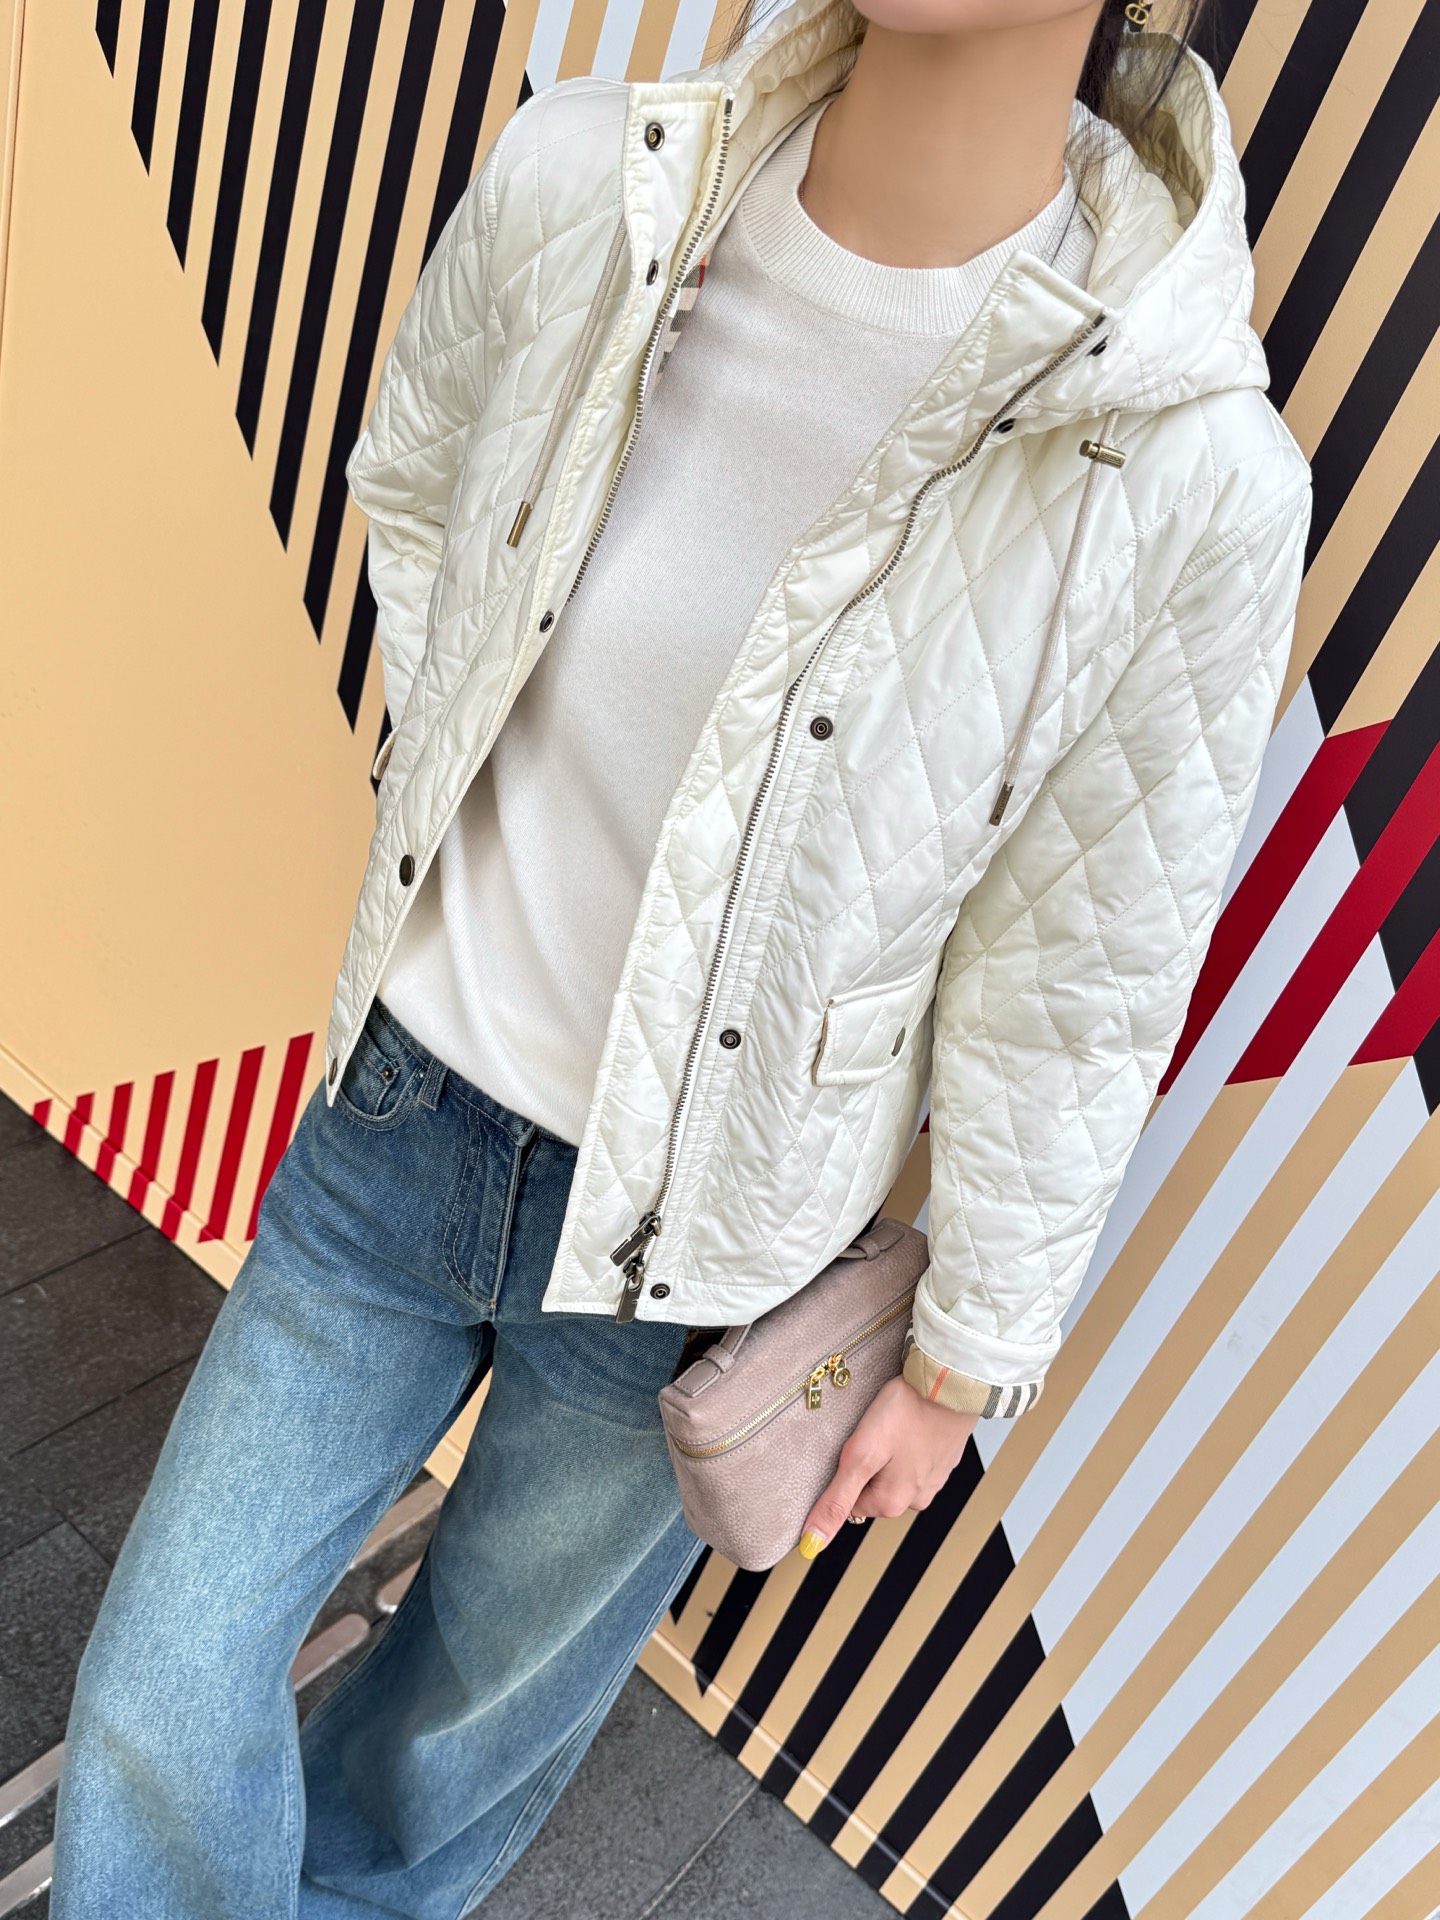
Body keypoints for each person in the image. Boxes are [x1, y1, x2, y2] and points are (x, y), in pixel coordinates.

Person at [50, 0, 1311, 1911]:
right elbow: (420, 494)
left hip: (698, 1252)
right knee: (163, 1684)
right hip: (405, 1109)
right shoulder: (591, 183)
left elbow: (1083, 966)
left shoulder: (1187, 467)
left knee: (449, 1743)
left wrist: (965, 1356)